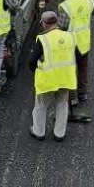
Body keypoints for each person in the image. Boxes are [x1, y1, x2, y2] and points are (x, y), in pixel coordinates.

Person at [29, 9, 77, 141]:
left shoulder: (42, 39)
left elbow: (32, 61)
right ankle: (59, 134)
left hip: (48, 80)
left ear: (44, 24)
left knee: (41, 106)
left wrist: (34, 70)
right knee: (62, 104)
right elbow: (75, 56)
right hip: (65, 78)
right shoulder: (69, 36)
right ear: (56, 22)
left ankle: (39, 132)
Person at [58, 0, 94, 107]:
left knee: (70, 70)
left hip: (70, 44)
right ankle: (82, 94)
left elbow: (62, 26)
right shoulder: (88, 1)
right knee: (83, 69)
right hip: (84, 43)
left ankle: (73, 99)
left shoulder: (65, 6)